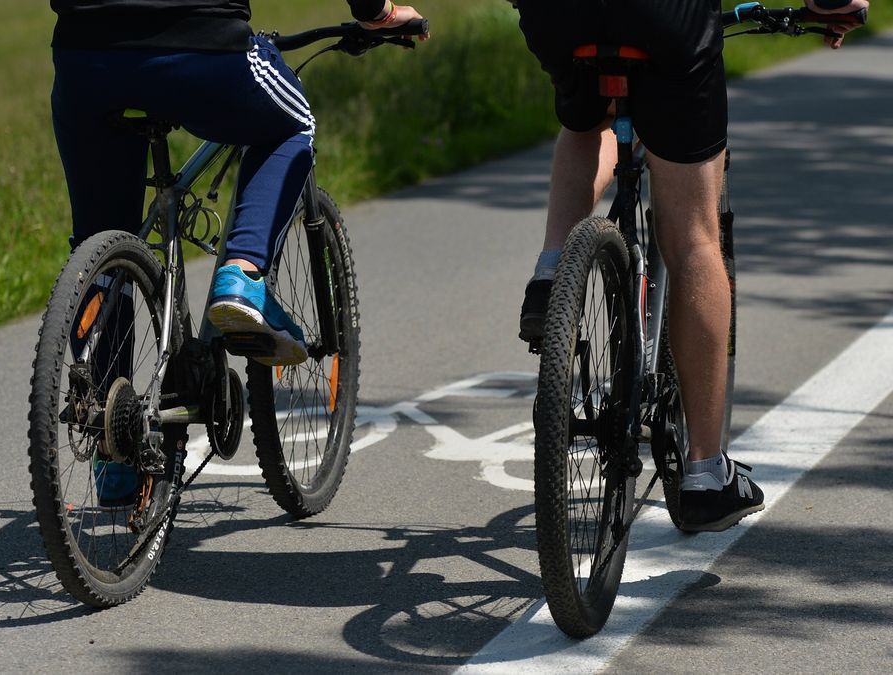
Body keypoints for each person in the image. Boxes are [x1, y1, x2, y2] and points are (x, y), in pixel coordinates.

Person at [512, 0, 869, 531]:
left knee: (591, 119)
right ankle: (705, 472)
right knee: (694, 238)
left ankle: (551, 269)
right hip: (666, 16)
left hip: (562, 15)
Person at [49, 0, 424, 368]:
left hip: (84, 58)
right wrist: (378, 13)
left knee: (99, 242)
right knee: (294, 123)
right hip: (203, 45)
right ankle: (242, 276)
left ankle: (99, 406)